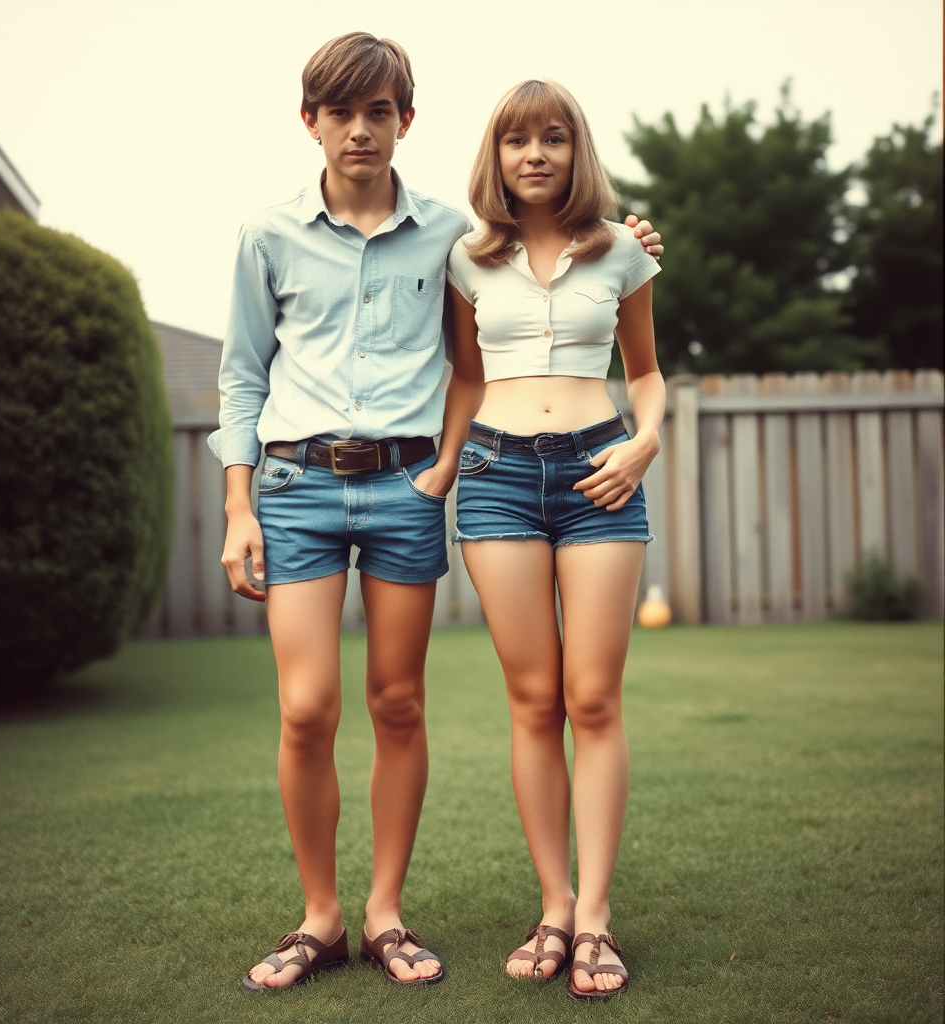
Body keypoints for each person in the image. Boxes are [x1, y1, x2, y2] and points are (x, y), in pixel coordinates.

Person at [209, 34, 663, 992]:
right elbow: (243, 376)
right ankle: (319, 919)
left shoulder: (458, 238)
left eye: (381, 112)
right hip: (294, 488)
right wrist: (237, 503)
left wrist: (632, 246)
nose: (361, 129)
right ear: (311, 122)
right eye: (342, 112)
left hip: (409, 487)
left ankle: (384, 916)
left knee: (400, 702)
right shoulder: (268, 236)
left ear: (407, 121)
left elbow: (542, 290)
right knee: (305, 709)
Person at [444, 79, 664, 1001]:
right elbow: (462, 378)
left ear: (579, 152)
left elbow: (646, 374)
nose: (535, 154)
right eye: (516, 140)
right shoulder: (464, 258)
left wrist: (645, 441)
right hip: (495, 479)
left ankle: (600, 920)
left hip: (599, 476)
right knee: (534, 700)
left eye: (554, 138)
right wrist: (442, 467)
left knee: (594, 698)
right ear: (494, 157)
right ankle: (555, 906)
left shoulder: (622, 253)